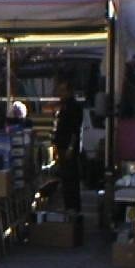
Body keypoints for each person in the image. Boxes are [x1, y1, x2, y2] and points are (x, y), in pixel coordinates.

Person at [52, 77, 83, 213]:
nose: (61, 93)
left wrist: (71, 147)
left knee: (71, 179)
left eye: (63, 90)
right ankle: (68, 206)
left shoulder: (74, 107)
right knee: (65, 178)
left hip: (69, 147)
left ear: (70, 91)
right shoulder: (63, 106)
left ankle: (73, 207)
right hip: (62, 146)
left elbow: (75, 130)